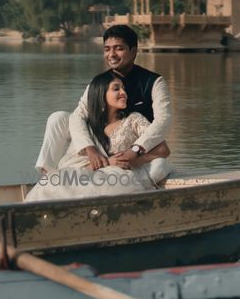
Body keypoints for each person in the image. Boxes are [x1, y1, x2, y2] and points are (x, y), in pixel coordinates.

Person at [34, 24, 172, 183]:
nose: (111, 54)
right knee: (58, 118)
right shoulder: (99, 82)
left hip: (135, 144)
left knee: (160, 165)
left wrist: (136, 149)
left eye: (118, 48)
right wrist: (90, 148)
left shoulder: (153, 82)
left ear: (133, 51)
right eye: (107, 49)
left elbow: (163, 120)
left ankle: (130, 189)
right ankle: (46, 178)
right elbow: (79, 115)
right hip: (101, 142)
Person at [25, 71, 169, 202]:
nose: (123, 92)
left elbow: (164, 149)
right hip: (90, 172)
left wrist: (135, 158)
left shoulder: (133, 120)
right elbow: (82, 165)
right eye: (116, 88)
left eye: (123, 88)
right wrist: (107, 162)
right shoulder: (88, 125)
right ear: (101, 94)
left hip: (114, 175)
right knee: (62, 180)